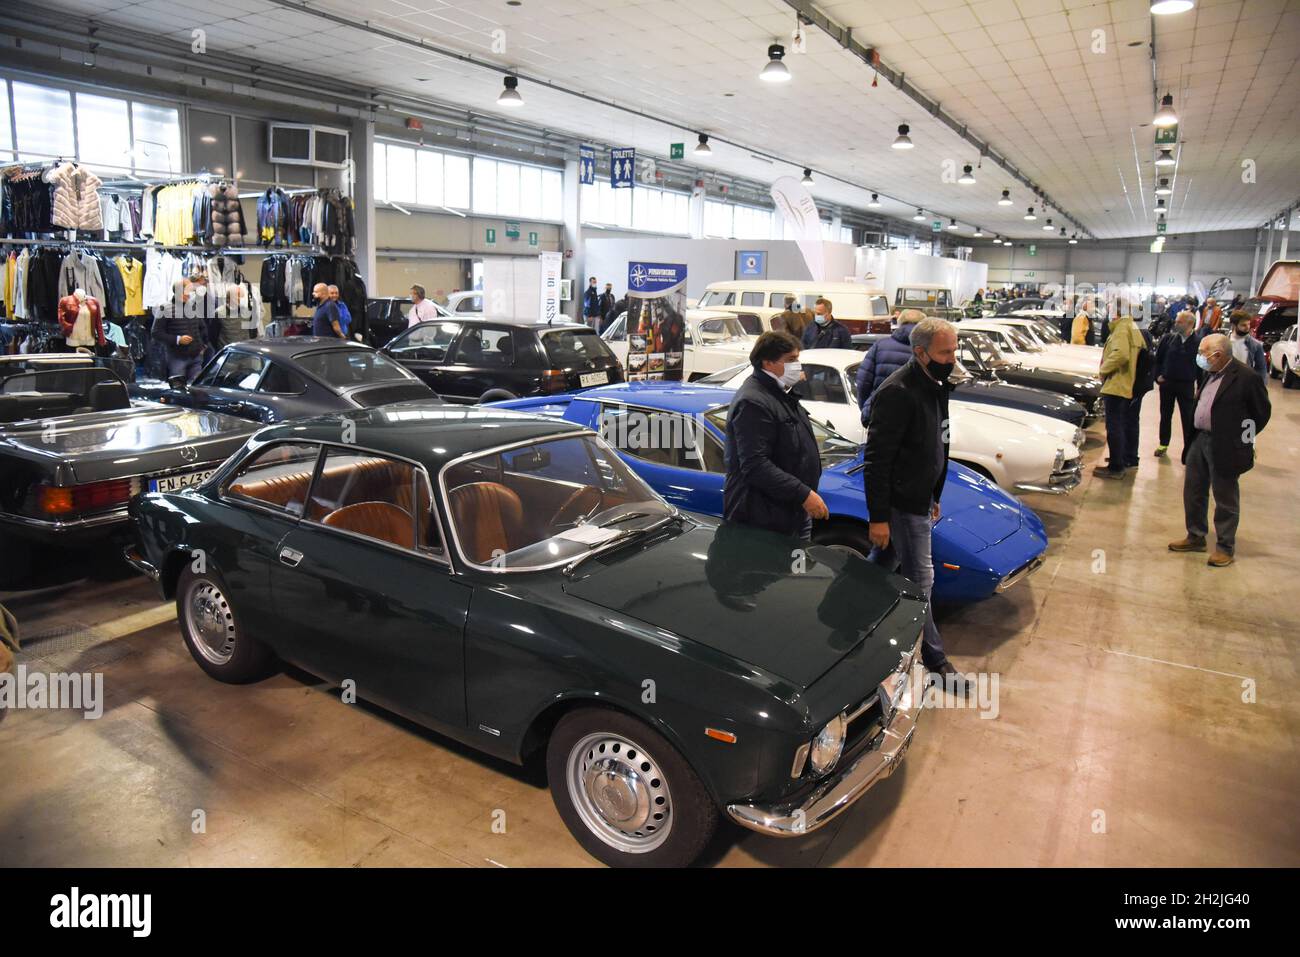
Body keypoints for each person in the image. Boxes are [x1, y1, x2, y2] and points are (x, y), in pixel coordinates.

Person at [862, 318, 967, 692]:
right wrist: (878, 518)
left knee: (879, 569)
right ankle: (935, 659)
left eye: (954, 350)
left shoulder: (936, 386)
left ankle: (855, 623)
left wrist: (934, 493)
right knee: (922, 579)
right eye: (945, 352)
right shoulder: (898, 392)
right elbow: (877, 460)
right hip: (902, 504)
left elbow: (941, 442)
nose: (951, 358)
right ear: (920, 352)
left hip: (921, 499)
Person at [1168, 333, 1271, 567]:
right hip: (1199, 440)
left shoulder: (1246, 378)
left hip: (1224, 446)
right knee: (1193, 491)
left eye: (1204, 353)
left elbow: (1261, 413)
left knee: (1225, 498)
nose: (1200, 357)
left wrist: (1242, 440)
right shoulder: (1210, 372)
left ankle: (1225, 547)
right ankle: (1195, 536)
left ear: (1219, 355)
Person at [722, 331, 827, 541]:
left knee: (794, 570)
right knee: (773, 572)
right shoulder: (753, 402)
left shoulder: (779, 394)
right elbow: (755, 464)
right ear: (768, 363)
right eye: (791, 360)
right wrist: (802, 494)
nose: (797, 366)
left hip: (788, 513)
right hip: (764, 518)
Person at [1093, 310, 1146, 479]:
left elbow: (1121, 354)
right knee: (1121, 424)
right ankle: (1119, 459)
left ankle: (1116, 466)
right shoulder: (1132, 326)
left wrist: (1103, 370)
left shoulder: (1122, 328)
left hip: (1117, 384)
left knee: (1114, 426)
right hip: (1125, 384)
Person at [856, 308, 923, 422]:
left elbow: (863, 382)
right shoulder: (926, 350)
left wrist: (867, 408)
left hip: (879, 412)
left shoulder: (880, 345)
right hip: (912, 416)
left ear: (900, 322)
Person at [1154, 310, 1199, 458]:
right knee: (1165, 415)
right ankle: (1163, 444)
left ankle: (1189, 450)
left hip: (1186, 386)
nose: (1175, 323)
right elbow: (1158, 360)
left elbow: (1202, 368)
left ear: (1190, 324)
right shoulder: (1168, 339)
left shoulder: (1199, 343)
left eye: (1179, 321)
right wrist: (1157, 376)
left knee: (1188, 418)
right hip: (1167, 384)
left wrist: (1201, 388)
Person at [152, 279, 207, 381]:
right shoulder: (165, 308)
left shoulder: (193, 306)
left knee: (196, 389)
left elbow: (202, 327)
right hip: (177, 357)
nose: (190, 294)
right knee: (177, 388)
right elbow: (156, 333)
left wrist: (202, 346)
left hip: (196, 356)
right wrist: (178, 339)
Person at [1225, 308, 1268, 385]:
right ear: (1233, 325)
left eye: (1248, 324)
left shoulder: (1256, 345)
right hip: (1226, 381)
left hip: (1245, 383)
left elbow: (1261, 368)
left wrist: (1261, 387)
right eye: (1243, 325)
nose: (1247, 327)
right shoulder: (1223, 342)